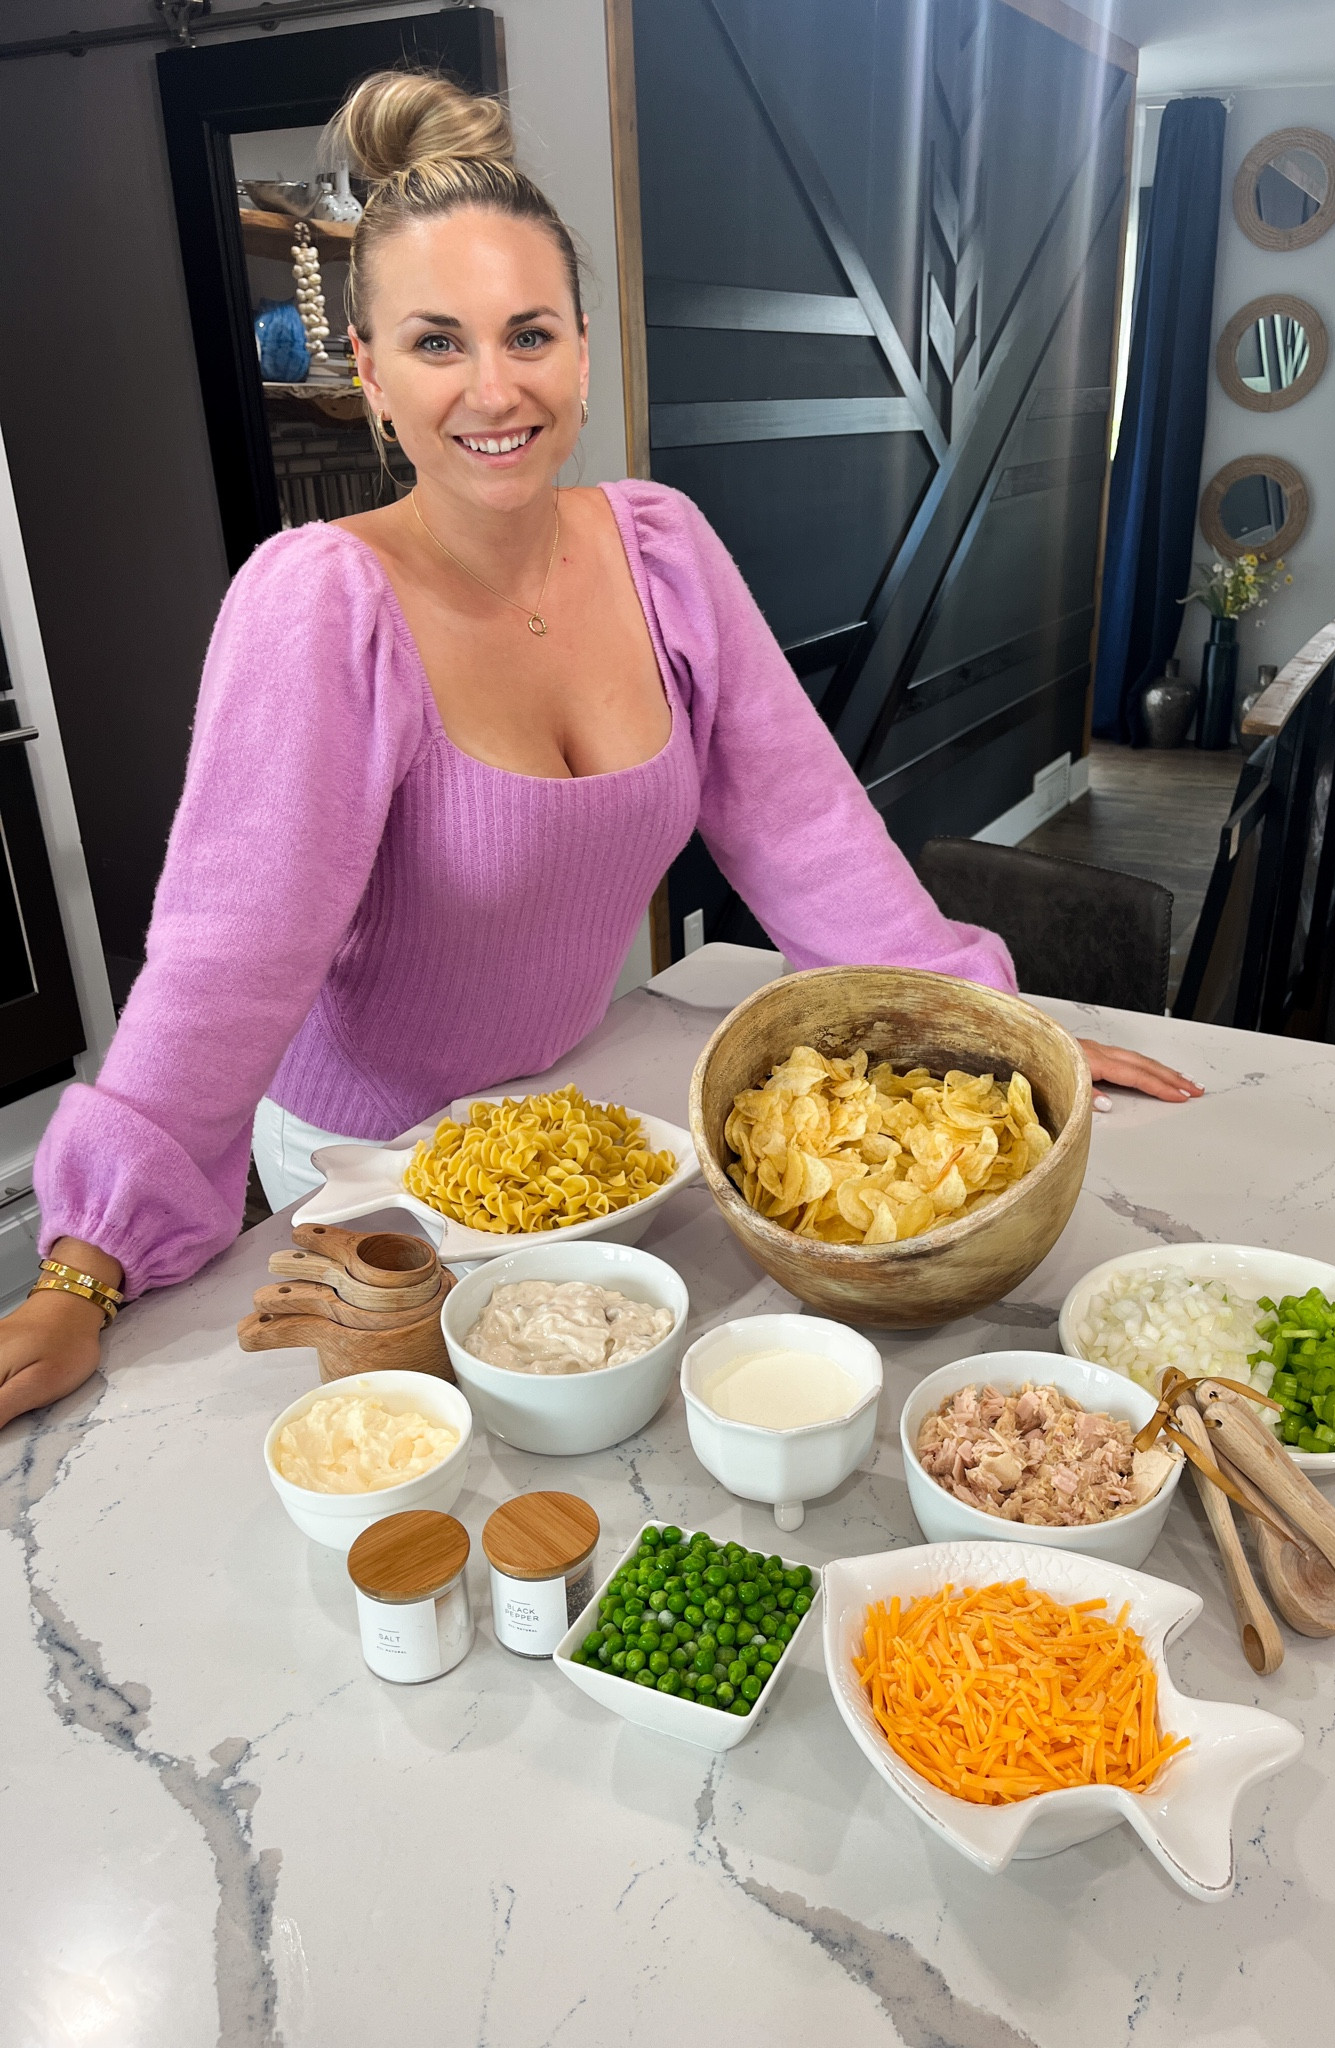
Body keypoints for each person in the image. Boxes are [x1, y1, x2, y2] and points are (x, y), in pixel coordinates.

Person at [0, 71, 1199, 1431]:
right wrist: (84, 1267)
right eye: (438, 343)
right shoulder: (320, 605)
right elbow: (228, 953)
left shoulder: (663, 551)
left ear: (580, 348)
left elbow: (802, 826)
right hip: (374, 1167)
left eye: (528, 335)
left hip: (585, 1109)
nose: (493, 387)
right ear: (373, 374)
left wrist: (996, 1035)